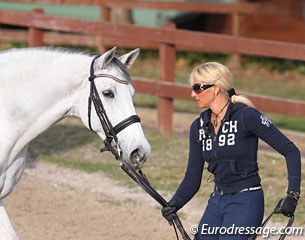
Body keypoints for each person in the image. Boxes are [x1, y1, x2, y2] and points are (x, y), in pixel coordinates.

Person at [161, 62, 301, 240]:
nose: (192, 94)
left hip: (246, 202)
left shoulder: (247, 117)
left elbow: (291, 150)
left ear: (216, 88)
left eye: (198, 88)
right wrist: (175, 203)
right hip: (217, 201)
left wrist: (292, 195)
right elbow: (193, 175)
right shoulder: (198, 127)